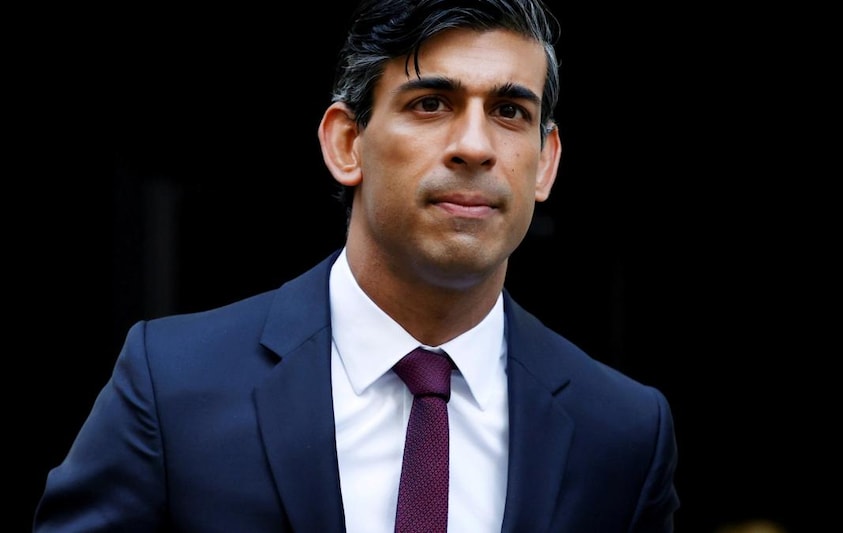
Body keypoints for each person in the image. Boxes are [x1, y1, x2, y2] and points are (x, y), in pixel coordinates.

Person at [34, 0, 679, 531]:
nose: (476, 146)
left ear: (545, 163)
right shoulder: (172, 386)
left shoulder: (623, 433)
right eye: (431, 103)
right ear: (347, 143)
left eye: (510, 112)